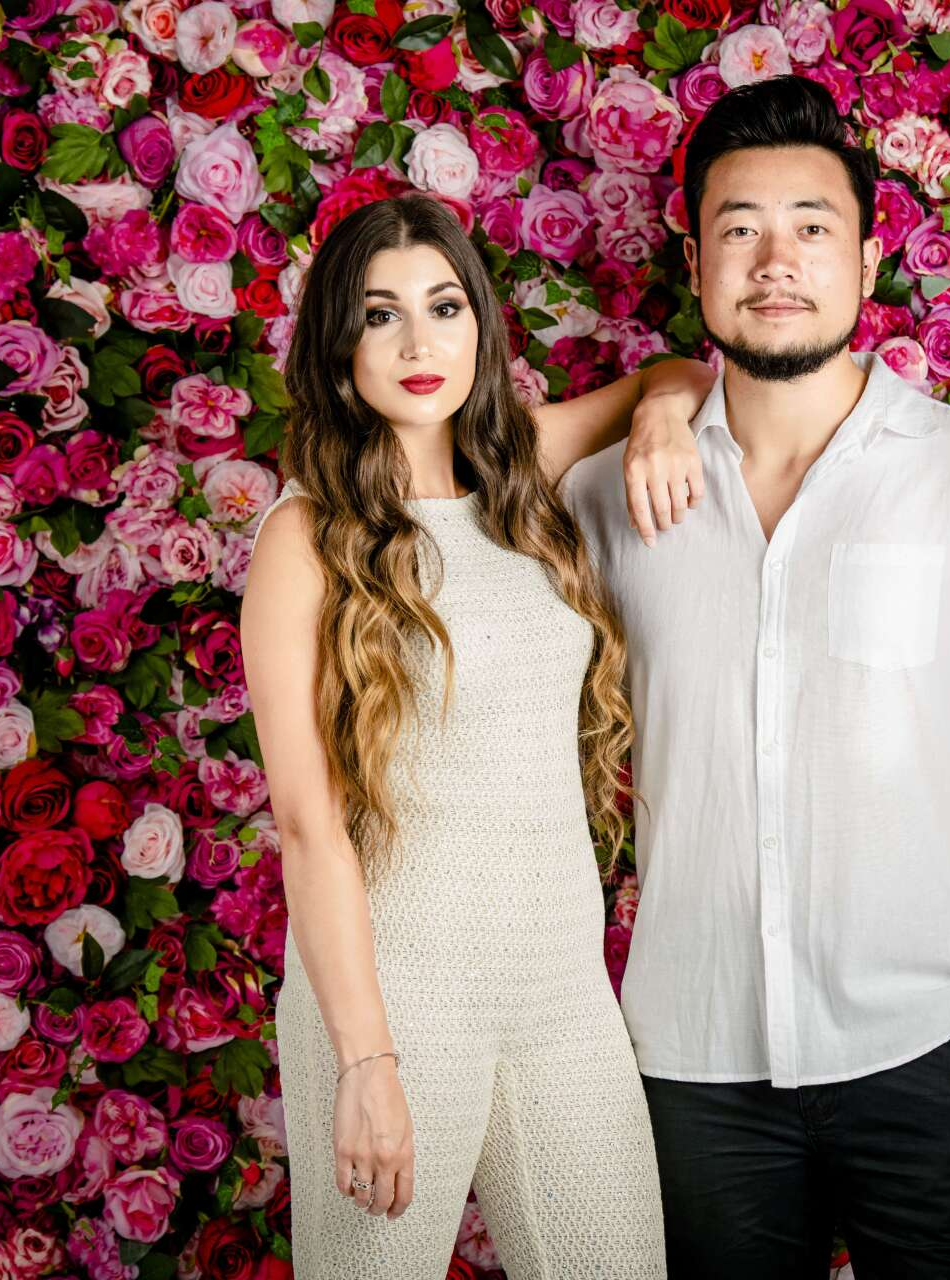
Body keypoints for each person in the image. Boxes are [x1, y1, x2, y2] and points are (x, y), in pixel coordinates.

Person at [559, 75, 950, 1280]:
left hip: (930, 1048)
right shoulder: (605, 496)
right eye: (738, 227)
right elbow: (416, 473)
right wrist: (656, 394)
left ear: (865, 262)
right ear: (697, 260)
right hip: (690, 1063)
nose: (775, 259)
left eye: (812, 227)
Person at [241, 192, 713, 1278]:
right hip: (394, 993)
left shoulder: (519, 476)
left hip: (559, 994)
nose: (418, 342)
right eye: (379, 314)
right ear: (336, 343)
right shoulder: (304, 536)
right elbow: (309, 828)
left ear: (479, 326)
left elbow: (678, 374)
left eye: (444, 306)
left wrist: (655, 416)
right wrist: (365, 1056)